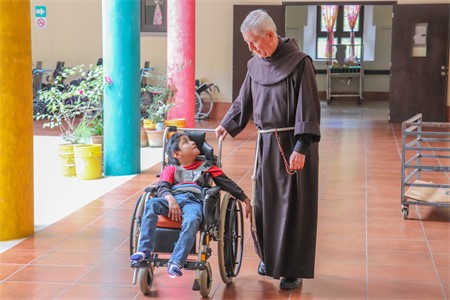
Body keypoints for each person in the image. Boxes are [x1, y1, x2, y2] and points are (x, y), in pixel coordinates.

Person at [215, 9, 321, 290]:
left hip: (292, 146)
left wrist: (302, 146)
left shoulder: (300, 63)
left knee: (292, 206)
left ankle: (291, 267)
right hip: (265, 144)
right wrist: (227, 124)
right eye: (248, 44)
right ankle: (269, 257)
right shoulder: (255, 65)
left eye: (254, 43)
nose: (251, 49)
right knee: (264, 203)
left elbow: (308, 108)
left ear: (271, 36)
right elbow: (243, 101)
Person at [131, 133, 251, 277]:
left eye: (191, 140)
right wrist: (171, 200)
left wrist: (244, 198)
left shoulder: (207, 167)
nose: (193, 143)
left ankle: (176, 261)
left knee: (193, 219)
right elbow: (162, 187)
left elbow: (226, 183)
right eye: (186, 142)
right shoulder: (171, 169)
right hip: (172, 198)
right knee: (151, 203)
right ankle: (144, 250)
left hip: (194, 201)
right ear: (177, 154)